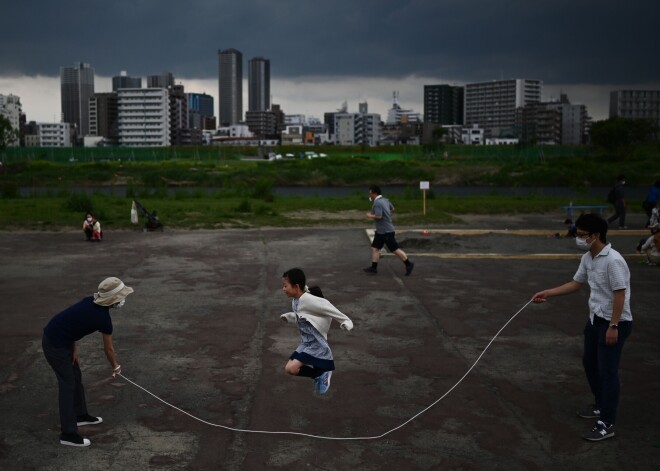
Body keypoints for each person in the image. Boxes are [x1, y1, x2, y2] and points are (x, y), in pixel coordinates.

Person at [532, 213, 632, 441]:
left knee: (608, 372)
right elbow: (576, 283)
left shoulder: (613, 260)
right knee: (590, 363)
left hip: (615, 322)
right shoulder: (588, 257)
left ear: (596, 235)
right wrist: (548, 292)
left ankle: (607, 423)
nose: (578, 239)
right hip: (596, 320)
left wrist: (614, 326)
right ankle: (600, 404)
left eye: (582, 235)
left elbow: (620, 295)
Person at [42, 277, 133, 447]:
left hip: (64, 340)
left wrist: (73, 348)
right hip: (54, 344)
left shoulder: (90, 301)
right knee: (67, 384)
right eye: (121, 297)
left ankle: (80, 415)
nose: (123, 301)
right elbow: (109, 349)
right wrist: (116, 365)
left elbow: (71, 324)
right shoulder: (103, 319)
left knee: (75, 377)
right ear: (112, 301)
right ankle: (68, 434)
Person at [280, 268, 353, 395]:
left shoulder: (309, 300)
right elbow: (303, 316)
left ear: (296, 286)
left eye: (285, 286)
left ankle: (322, 373)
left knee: (292, 368)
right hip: (306, 343)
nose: (283, 289)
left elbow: (330, 309)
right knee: (289, 369)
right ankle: (319, 374)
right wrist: (289, 317)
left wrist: (346, 322)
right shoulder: (295, 300)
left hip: (316, 344)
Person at [363, 185, 414, 276]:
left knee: (395, 250)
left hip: (386, 232)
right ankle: (374, 268)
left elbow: (379, 216)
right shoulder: (386, 200)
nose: (369, 195)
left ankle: (409, 264)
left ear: (375, 193)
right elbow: (392, 209)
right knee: (375, 248)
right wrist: (388, 215)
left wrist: (369, 215)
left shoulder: (377, 203)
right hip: (381, 231)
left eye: (370, 193)